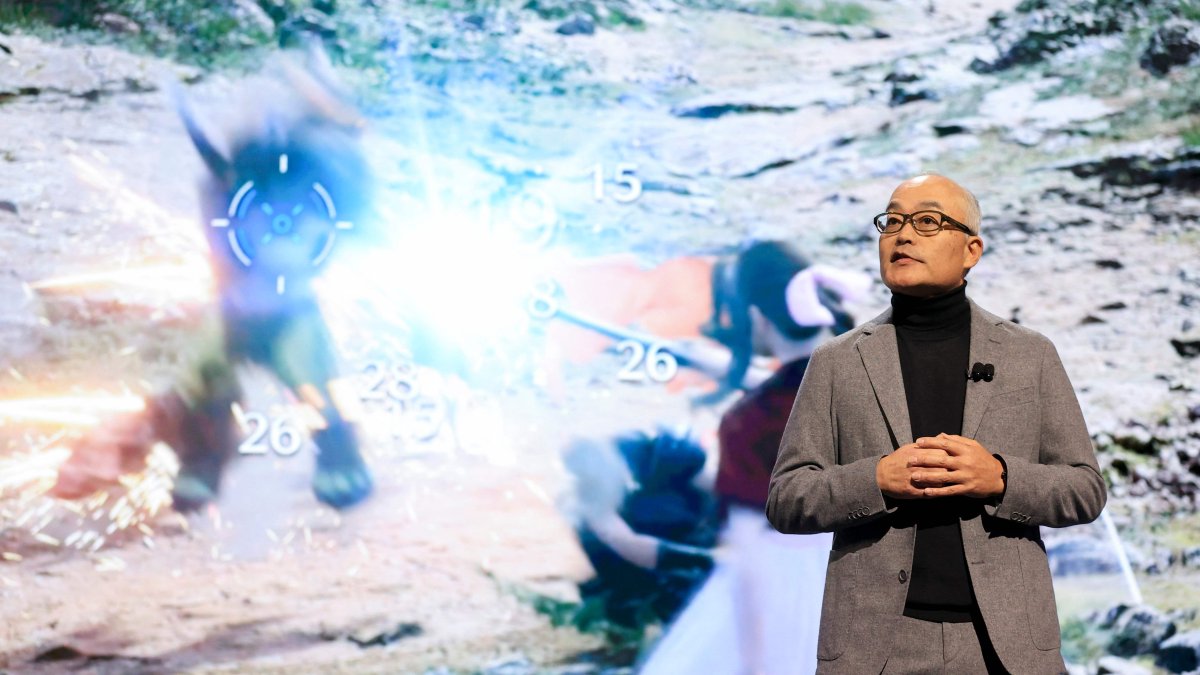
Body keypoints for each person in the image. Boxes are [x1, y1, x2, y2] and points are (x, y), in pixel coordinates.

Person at [766, 173, 1107, 674]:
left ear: (971, 250)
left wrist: (1002, 479)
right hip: (873, 644)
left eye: (927, 221)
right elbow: (786, 499)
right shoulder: (837, 361)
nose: (903, 235)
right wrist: (876, 480)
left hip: (1005, 645)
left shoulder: (1028, 354)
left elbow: (1084, 489)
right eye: (893, 221)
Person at [638, 241, 870, 674]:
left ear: (758, 319)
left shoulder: (748, 424)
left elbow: (751, 568)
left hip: (791, 594)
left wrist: (759, 665)